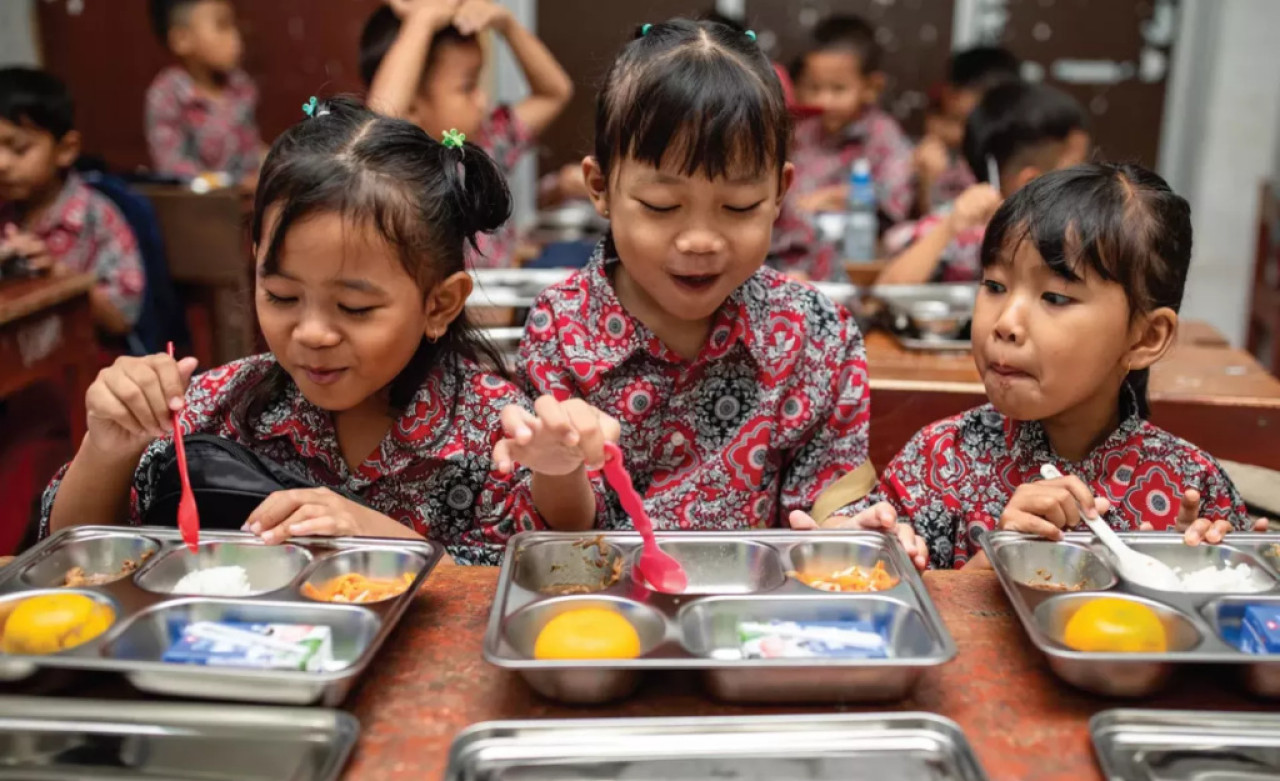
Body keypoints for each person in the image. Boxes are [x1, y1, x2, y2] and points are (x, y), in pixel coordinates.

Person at [40, 98, 584, 565]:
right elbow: (69, 553)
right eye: (281, 296)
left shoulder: (498, 436)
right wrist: (108, 448)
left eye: (354, 307)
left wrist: (380, 538)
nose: (312, 333)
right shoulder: (219, 406)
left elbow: (537, 581)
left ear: (439, 304)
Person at [493, 19, 927, 570]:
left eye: (739, 207)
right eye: (662, 206)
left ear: (779, 194)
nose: (700, 240)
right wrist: (558, 466)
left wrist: (855, 528)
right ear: (601, 189)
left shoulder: (817, 334)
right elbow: (565, 534)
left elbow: (830, 496)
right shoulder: (559, 328)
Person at [875, 163, 1256, 570]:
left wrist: (1203, 574)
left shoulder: (1192, 486)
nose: (1005, 323)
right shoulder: (939, 460)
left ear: (1146, 338)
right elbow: (876, 606)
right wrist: (995, 559)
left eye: (1055, 298)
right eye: (995, 286)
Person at [361, 0, 573, 268]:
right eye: (468, 86)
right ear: (412, 105)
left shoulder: (487, 142)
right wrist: (422, 21)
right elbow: (379, 122)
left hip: (500, 304)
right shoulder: (400, 167)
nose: (483, 100)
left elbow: (554, 92)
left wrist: (507, 26)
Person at [877, 81, 1089, 285]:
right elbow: (884, 293)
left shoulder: (1084, 237)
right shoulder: (961, 225)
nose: (1088, 182)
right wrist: (950, 227)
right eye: (1078, 171)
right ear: (1031, 181)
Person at [0, 68, 144, 339]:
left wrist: (59, 276)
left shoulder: (98, 217)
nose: (2, 164)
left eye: (19, 149)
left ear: (65, 149)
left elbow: (121, 319)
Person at [787, 15, 914, 222]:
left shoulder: (883, 134)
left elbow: (897, 200)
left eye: (838, 89)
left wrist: (842, 196)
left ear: (872, 88)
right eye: (814, 88)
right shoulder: (801, 131)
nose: (824, 101)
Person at [145, 0, 263, 187]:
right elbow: (174, 169)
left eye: (234, 25)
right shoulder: (167, 95)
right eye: (222, 26)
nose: (235, 37)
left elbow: (251, 150)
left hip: (249, 204)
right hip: (200, 208)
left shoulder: (240, 85)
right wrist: (235, 184)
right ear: (182, 39)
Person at [915, 46, 1020, 213]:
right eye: (948, 119)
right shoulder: (930, 153)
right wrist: (926, 183)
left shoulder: (1007, 159)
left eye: (962, 124)